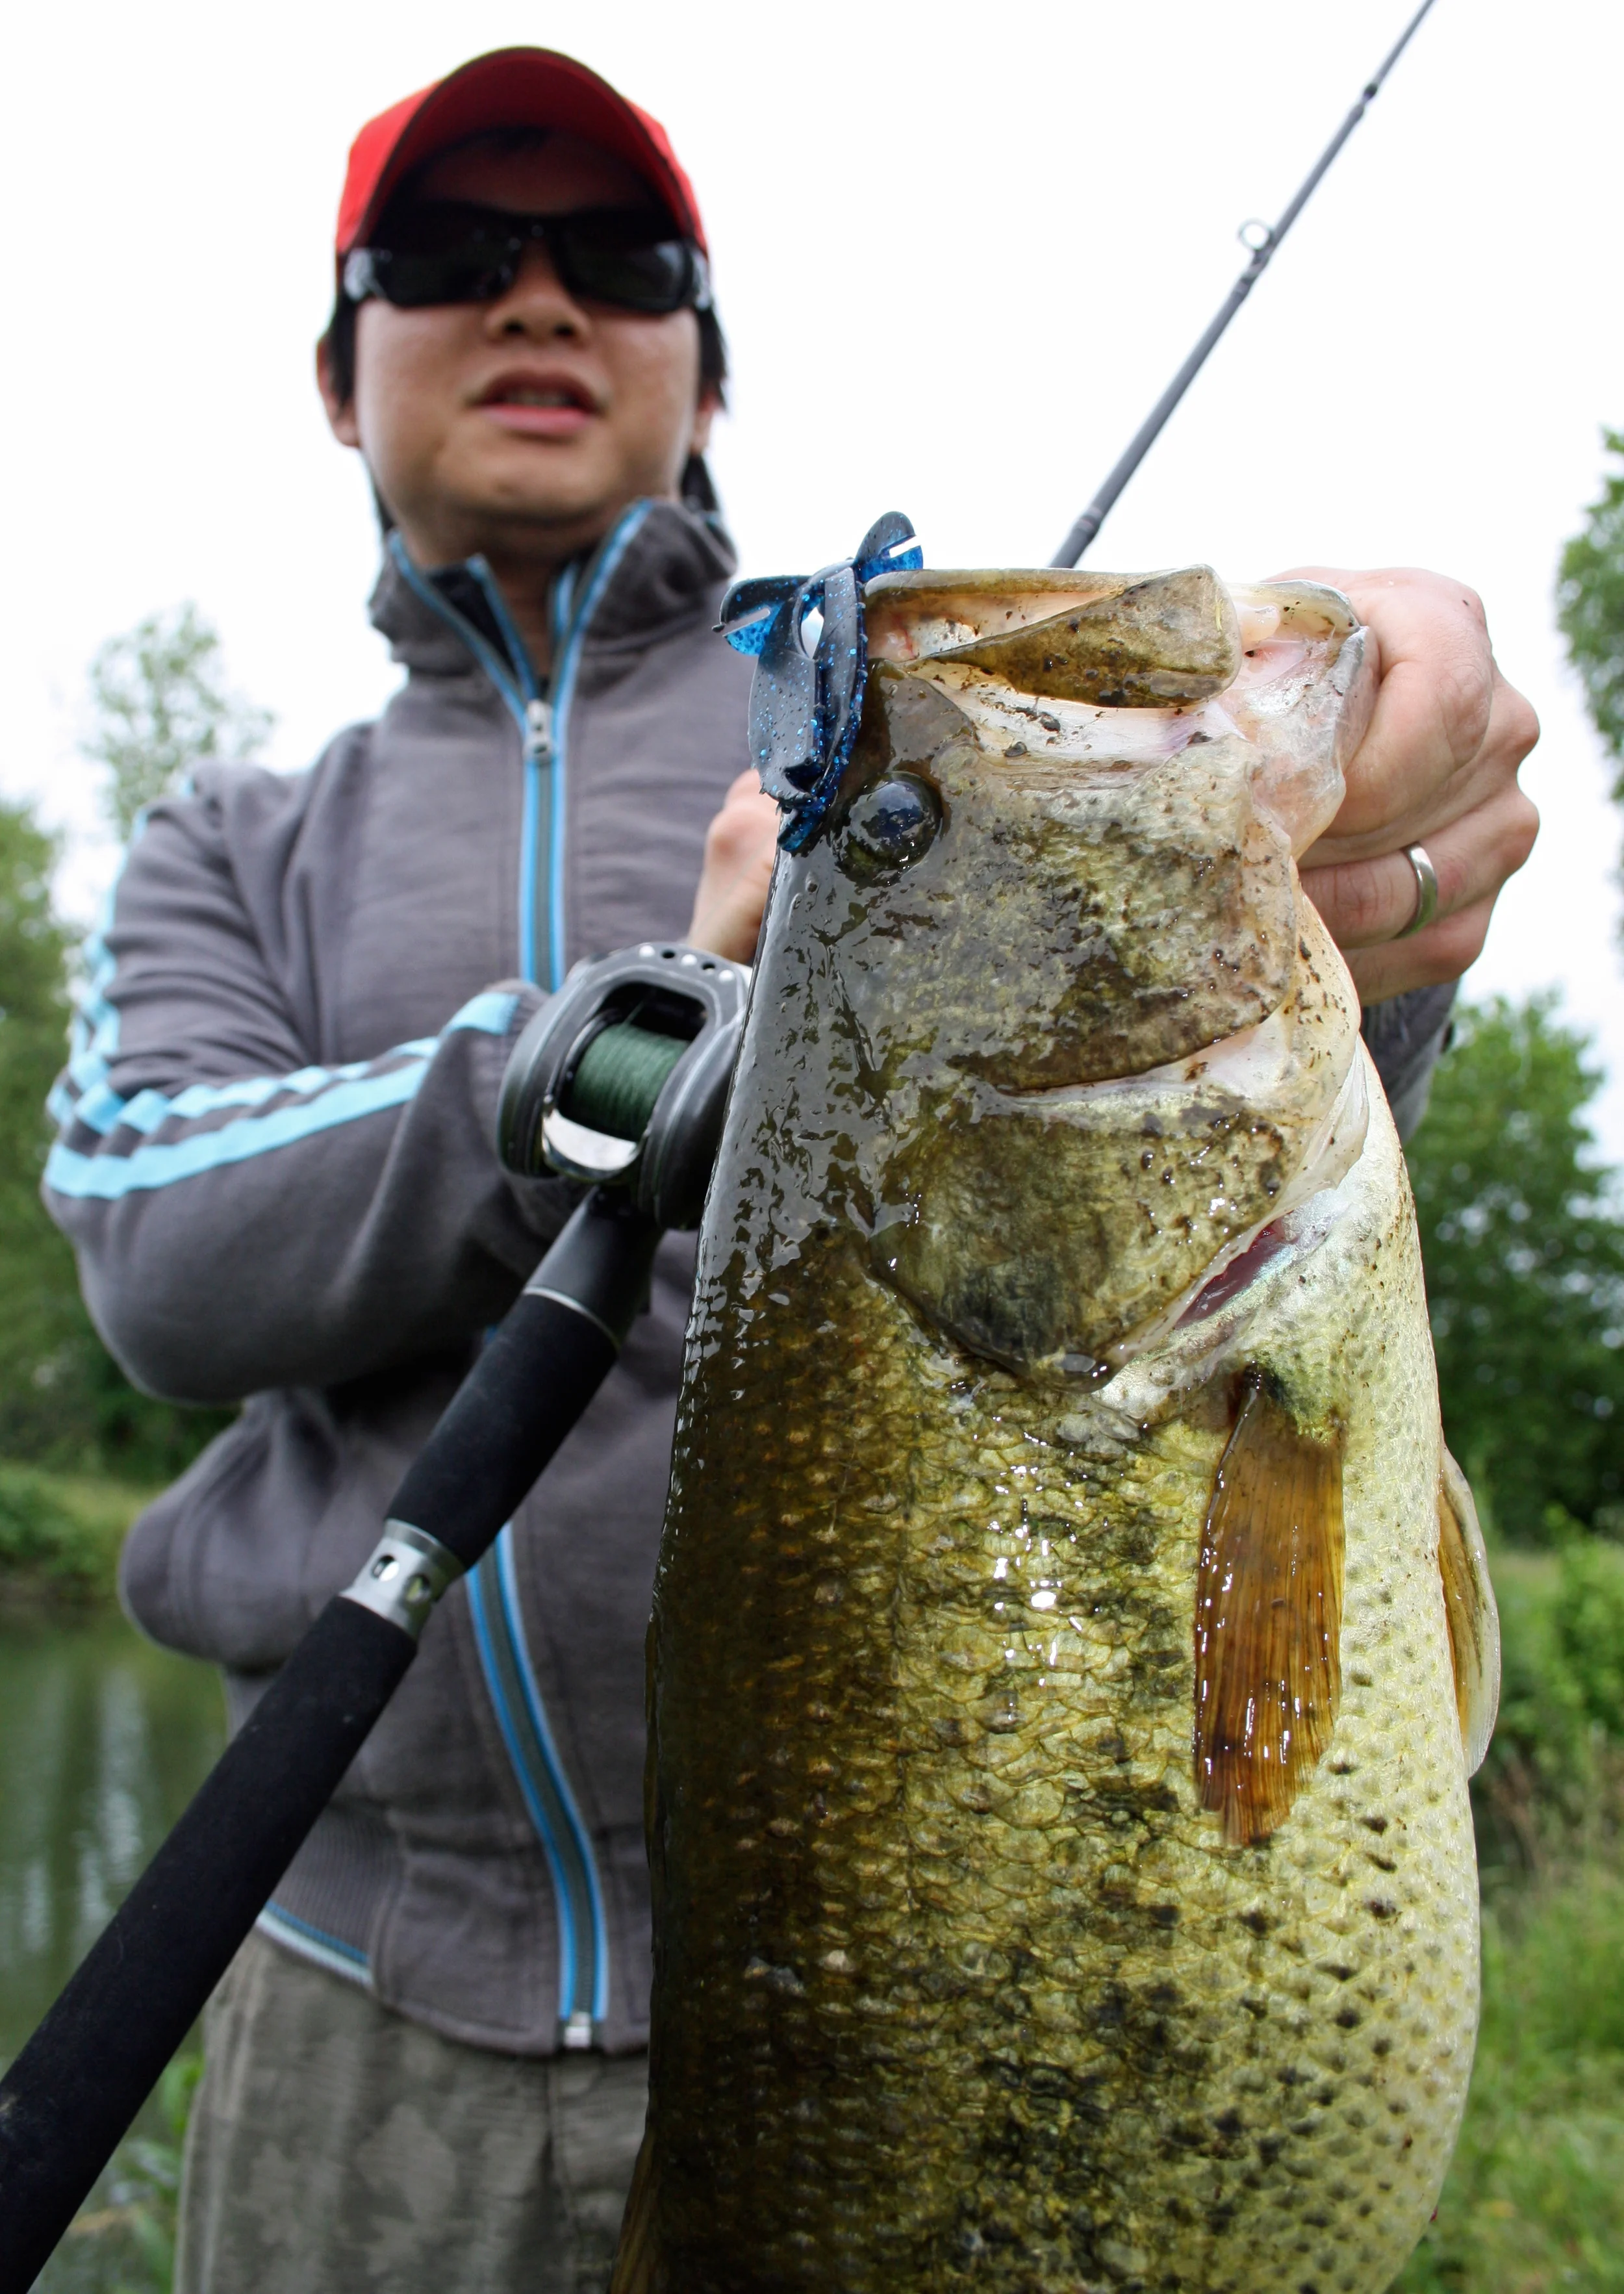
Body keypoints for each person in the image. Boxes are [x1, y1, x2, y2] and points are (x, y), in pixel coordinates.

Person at [43, 44, 1539, 2294]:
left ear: (702, 368)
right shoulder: (236, 840)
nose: (538, 300)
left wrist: (1364, 900)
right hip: (352, 2001)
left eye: (615, 258)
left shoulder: (858, 735)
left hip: (941, 1951)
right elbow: (156, 1232)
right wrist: (614, 1035)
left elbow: (1246, 1223)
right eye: (450, 257)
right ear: (337, 381)